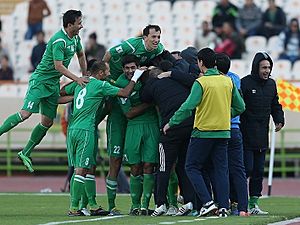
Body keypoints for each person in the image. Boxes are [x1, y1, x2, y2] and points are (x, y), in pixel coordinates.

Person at [0, 10, 89, 173]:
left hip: (53, 84)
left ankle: (25, 152)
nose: (81, 25)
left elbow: (81, 55)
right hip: (40, 81)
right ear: (70, 25)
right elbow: (58, 66)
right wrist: (77, 79)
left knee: (47, 122)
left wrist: (85, 75)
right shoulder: (58, 40)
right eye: (79, 23)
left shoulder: (75, 38)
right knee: (25, 114)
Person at [163, 48, 245, 218]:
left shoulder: (201, 83)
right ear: (214, 62)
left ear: (200, 62)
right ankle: (223, 207)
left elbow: (187, 107)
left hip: (203, 132)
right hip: (223, 132)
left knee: (191, 167)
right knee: (221, 170)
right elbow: (240, 107)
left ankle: (207, 203)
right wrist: (223, 114)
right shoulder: (227, 81)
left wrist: (171, 123)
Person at [61, 60, 144, 216]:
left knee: (81, 168)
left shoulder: (81, 83)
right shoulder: (100, 85)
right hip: (86, 130)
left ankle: (90, 205)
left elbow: (60, 94)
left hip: (72, 129)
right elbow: (125, 93)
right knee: (81, 169)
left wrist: (75, 95)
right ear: (100, 73)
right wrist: (136, 77)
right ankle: (74, 208)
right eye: (107, 71)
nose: (109, 74)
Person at [103, 25, 164, 215]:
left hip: (151, 125)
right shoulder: (121, 83)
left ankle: (145, 205)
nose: (156, 40)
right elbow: (128, 113)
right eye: (153, 36)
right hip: (130, 124)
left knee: (149, 165)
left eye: (158, 36)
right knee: (124, 163)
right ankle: (118, 205)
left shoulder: (149, 74)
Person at [139, 66, 197, 217]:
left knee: (164, 167)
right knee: (184, 166)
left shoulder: (153, 83)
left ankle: (160, 204)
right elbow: (194, 79)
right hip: (189, 125)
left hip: (170, 128)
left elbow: (143, 97)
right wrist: (172, 73)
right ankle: (189, 202)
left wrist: (140, 78)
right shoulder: (179, 80)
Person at [240, 52, 285, 215]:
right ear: (256, 67)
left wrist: (279, 119)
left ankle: (253, 203)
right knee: (246, 169)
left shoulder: (272, 84)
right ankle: (237, 201)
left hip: (262, 135)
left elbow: (275, 104)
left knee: (258, 171)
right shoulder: (245, 83)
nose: (267, 70)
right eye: (264, 67)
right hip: (245, 135)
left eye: (269, 67)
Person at [216, 53, 248, 216]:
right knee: (238, 169)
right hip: (235, 128)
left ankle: (222, 205)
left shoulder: (215, 81)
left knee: (220, 169)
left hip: (219, 129)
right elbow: (240, 105)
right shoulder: (235, 78)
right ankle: (243, 207)